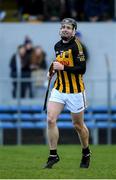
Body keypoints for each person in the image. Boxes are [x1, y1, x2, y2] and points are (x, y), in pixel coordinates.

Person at [44, 18, 91, 169]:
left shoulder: (78, 46)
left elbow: (81, 69)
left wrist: (62, 68)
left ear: (74, 31)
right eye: (63, 27)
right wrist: (51, 70)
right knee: (51, 119)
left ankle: (86, 152)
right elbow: (59, 63)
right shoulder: (57, 45)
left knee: (78, 125)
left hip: (75, 91)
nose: (65, 29)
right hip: (59, 88)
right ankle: (53, 155)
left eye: (68, 28)